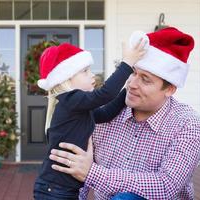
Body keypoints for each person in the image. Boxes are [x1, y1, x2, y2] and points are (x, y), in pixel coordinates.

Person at [49, 27, 200, 200]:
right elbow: (78, 175)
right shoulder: (102, 114)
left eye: (145, 79)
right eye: (132, 72)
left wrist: (92, 173)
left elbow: (166, 186)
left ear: (169, 89)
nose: (131, 84)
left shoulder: (188, 124)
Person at [33, 41, 146, 200]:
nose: (92, 75)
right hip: (55, 190)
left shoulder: (77, 109)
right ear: (67, 78)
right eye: (85, 71)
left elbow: (106, 113)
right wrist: (127, 64)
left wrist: (127, 90)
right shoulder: (70, 100)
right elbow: (105, 94)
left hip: (61, 189)